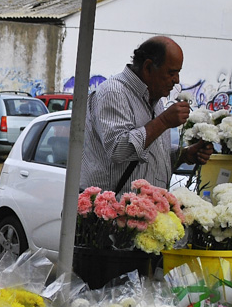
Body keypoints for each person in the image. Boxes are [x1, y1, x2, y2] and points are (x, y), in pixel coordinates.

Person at [79, 36, 213, 192]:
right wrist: (163, 122)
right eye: (171, 73)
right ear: (148, 67)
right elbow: (118, 150)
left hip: (145, 211)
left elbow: (148, 156)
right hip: (112, 211)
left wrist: (184, 155)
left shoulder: (154, 99)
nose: (176, 80)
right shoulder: (114, 92)